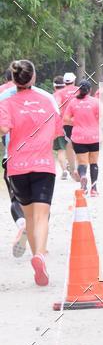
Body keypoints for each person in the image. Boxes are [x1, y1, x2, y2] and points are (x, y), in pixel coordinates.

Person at [0, 60, 63, 286]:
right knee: (41, 215)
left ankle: (37, 258)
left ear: (13, 79)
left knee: (28, 216)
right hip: (43, 164)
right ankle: (39, 256)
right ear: (33, 78)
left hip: (17, 166)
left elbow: (3, 129)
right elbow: (58, 131)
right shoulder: (47, 100)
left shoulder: (6, 103)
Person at [0, 67, 27, 257]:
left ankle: (22, 224)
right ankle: (39, 241)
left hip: (12, 155)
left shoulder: (3, 94)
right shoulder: (41, 96)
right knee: (39, 205)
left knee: (15, 199)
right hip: (38, 157)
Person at [63, 80, 100, 196]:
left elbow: (65, 119)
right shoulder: (95, 102)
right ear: (90, 90)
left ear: (78, 90)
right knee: (94, 162)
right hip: (94, 136)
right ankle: (94, 189)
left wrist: (76, 121)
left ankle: (83, 179)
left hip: (79, 137)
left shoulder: (73, 103)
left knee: (82, 162)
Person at [60, 71, 79, 179]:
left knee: (70, 143)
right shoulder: (79, 90)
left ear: (64, 81)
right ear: (74, 81)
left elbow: (57, 106)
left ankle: (72, 169)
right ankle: (79, 168)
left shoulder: (60, 93)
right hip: (80, 121)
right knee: (80, 144)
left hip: (66, 122)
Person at [52, 76, 69, 179]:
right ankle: (73, 167)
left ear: (54, 86)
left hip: (58, 127)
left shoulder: (53, 96)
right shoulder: (72, 94)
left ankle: (64, 170)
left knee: (60, 150)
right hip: (71, 125)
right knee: (72, 148)